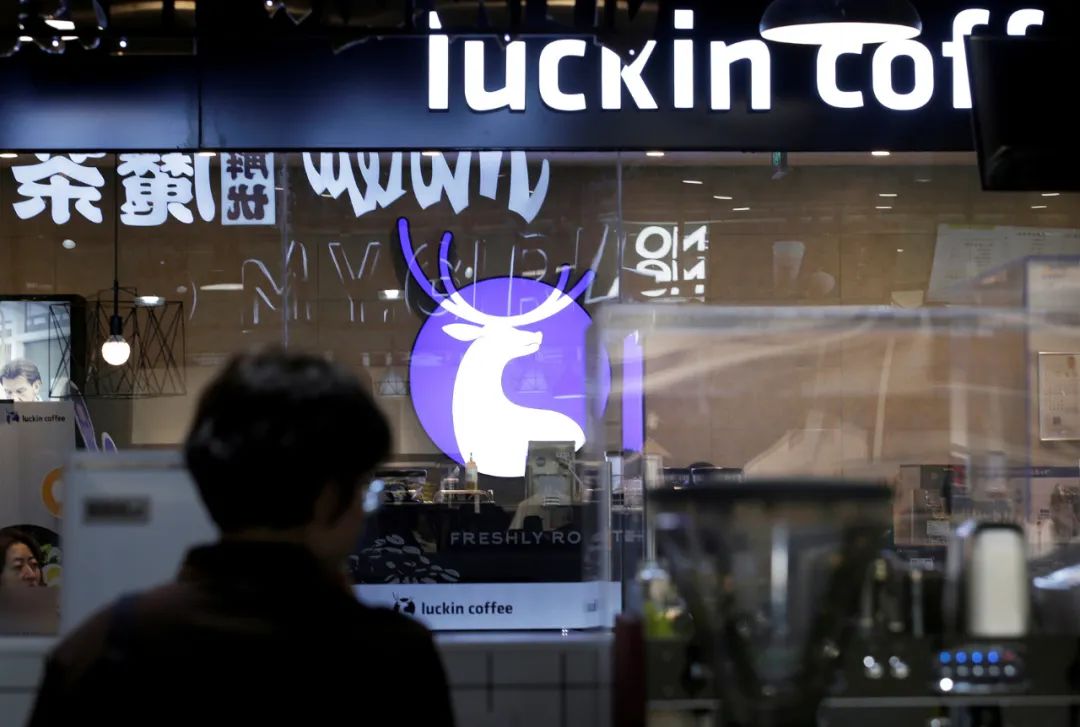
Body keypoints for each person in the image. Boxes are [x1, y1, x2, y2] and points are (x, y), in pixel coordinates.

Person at [28, 350, 455, 726]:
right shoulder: (392, 658)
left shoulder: (102, 646)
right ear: (328, 498)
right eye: (362, 488)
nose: (363, 510)